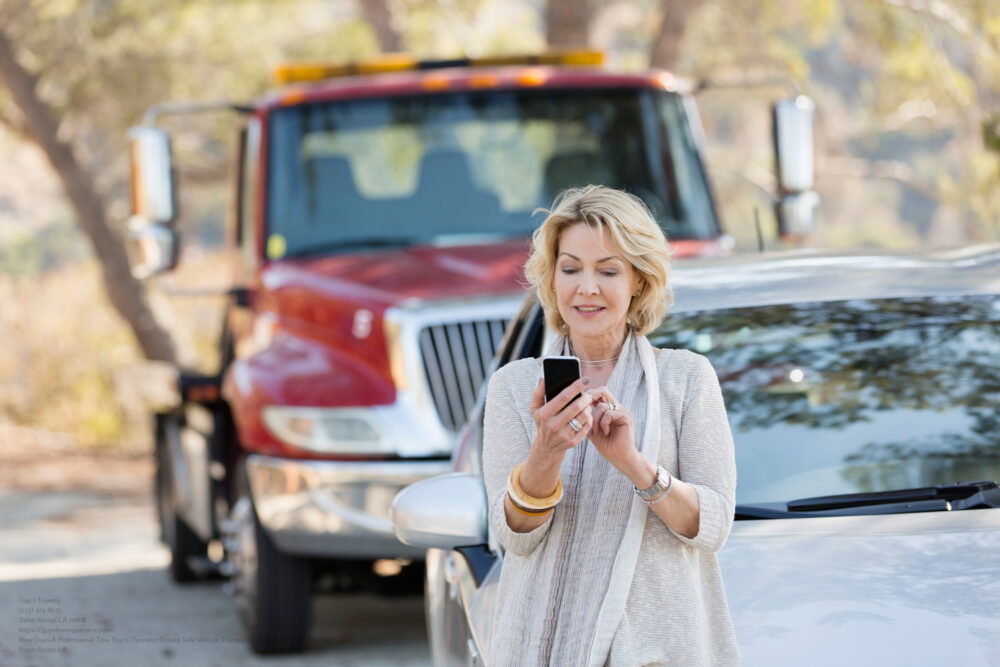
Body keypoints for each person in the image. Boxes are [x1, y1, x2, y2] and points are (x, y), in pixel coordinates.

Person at [482, 185, 740, 666]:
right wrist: (547, 449)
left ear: (639, 280)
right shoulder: (514, 389)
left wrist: (632, 463)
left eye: (608, 270)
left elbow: (713, 527)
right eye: (571, 268)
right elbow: (515, 537)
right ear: (552, 278)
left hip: (658, 652)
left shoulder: (685, 379)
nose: (587, 288)